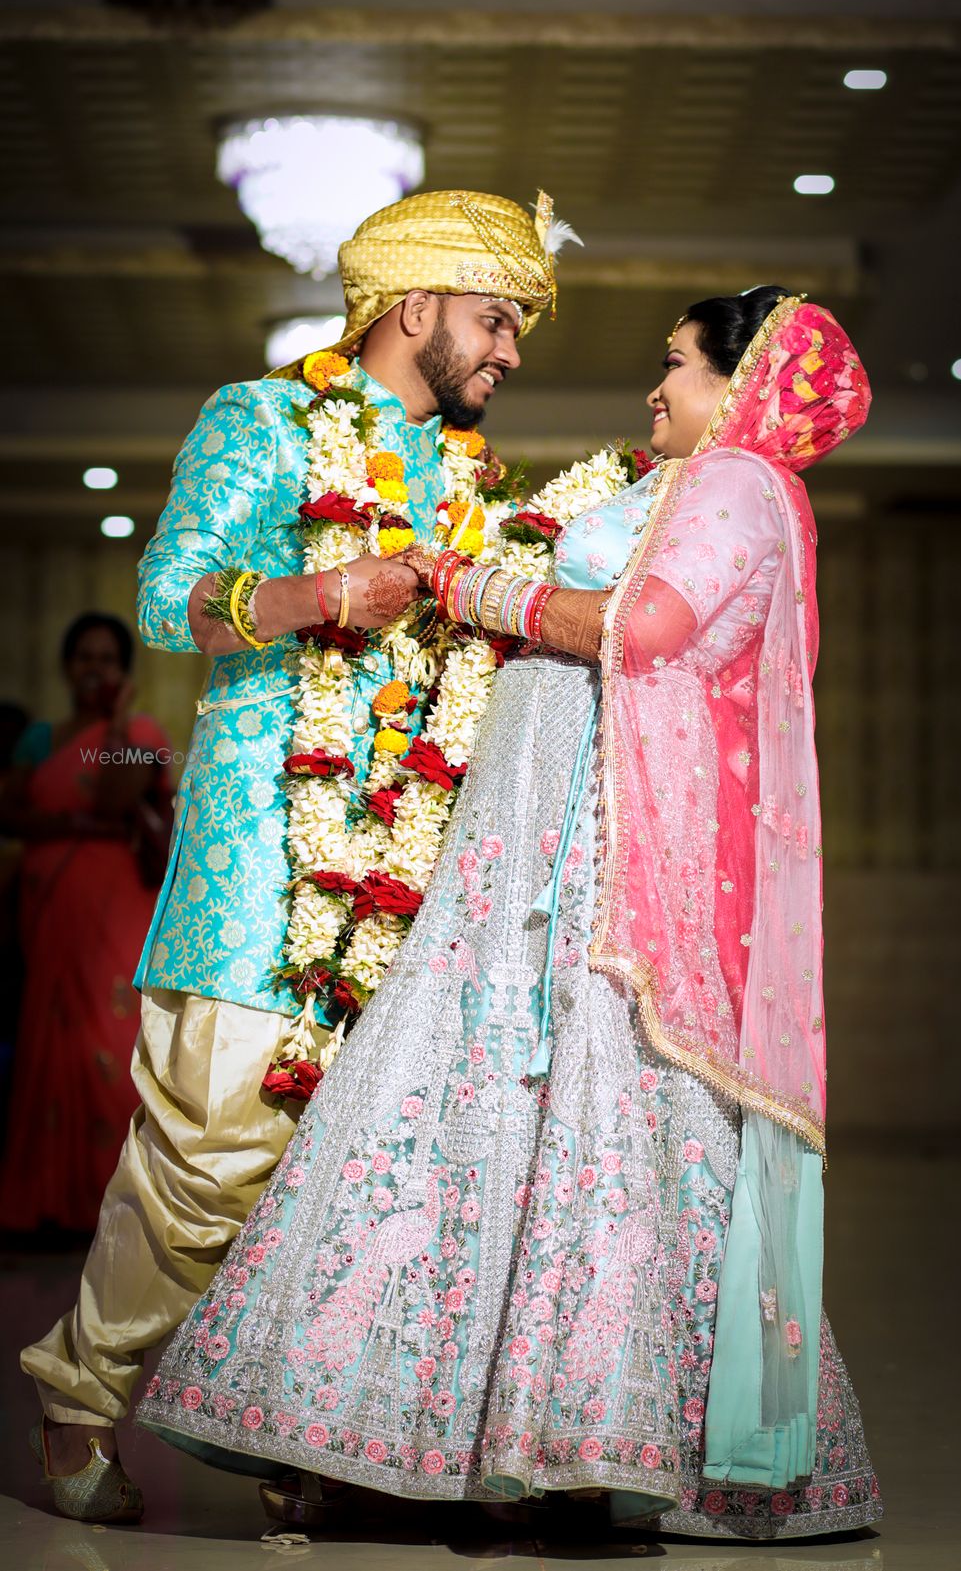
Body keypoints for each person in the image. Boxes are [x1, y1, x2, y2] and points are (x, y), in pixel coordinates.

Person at [137, 288, 882, 1541]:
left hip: (585, 868)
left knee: (584, 1129)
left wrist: (476, 590)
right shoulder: (690, 483)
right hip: (527, 859)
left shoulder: (739, 484)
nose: (654, 389)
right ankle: (404, 1432)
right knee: (480, 1124)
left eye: (676, 365)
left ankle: (570, 1439)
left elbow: (643, 630)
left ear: (739, 382)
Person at [22, 188, 569, 1525]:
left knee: (359, 1160)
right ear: (416, 306)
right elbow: (169, 595)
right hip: (258, 852)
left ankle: (299, 1437)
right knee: (211, 1147)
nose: (509, 354)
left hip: (411, 867)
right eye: (496, 321)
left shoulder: (465, 481)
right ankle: (77, 1397)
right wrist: (318, 597)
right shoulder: (261, 421)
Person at [0, 615, 172, 1235]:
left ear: (124, 669)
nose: (93, 668)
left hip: (115, 898)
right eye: (83, 658)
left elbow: (113, 799)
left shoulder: (137, 732)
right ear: (66, 666)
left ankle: (114, 1206)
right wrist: (64, 828)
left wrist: (122, 717)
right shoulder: (41, 738)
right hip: (50, 899)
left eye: (106, 658)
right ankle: (47, 1201)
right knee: (51, 1028)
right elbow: (10, 810)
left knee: (108, 1028)